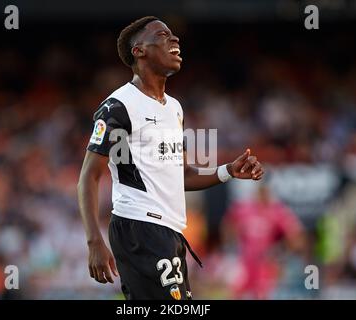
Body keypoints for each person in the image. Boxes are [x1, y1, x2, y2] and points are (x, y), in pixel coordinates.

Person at [77, 16, 264, 300]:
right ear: (139, 50)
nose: (174, 39)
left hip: (169, 232)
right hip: (139, 227)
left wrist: (228, 170)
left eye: (174, 35)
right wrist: (94, 241)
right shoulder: (119, 107)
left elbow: (181, 175)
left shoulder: (173, 108)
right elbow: (89, 176)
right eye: (163, 35)